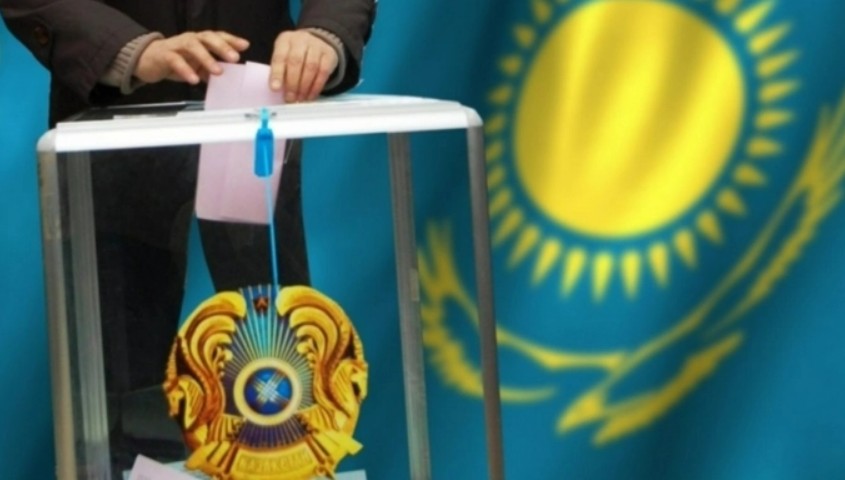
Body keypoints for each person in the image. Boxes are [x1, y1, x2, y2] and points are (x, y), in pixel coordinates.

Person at [1, 0, 376, 475]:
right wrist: (131, 52)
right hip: (113, 130)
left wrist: (324, 33)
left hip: (257, 116)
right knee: (123, 402)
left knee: (281, 379)